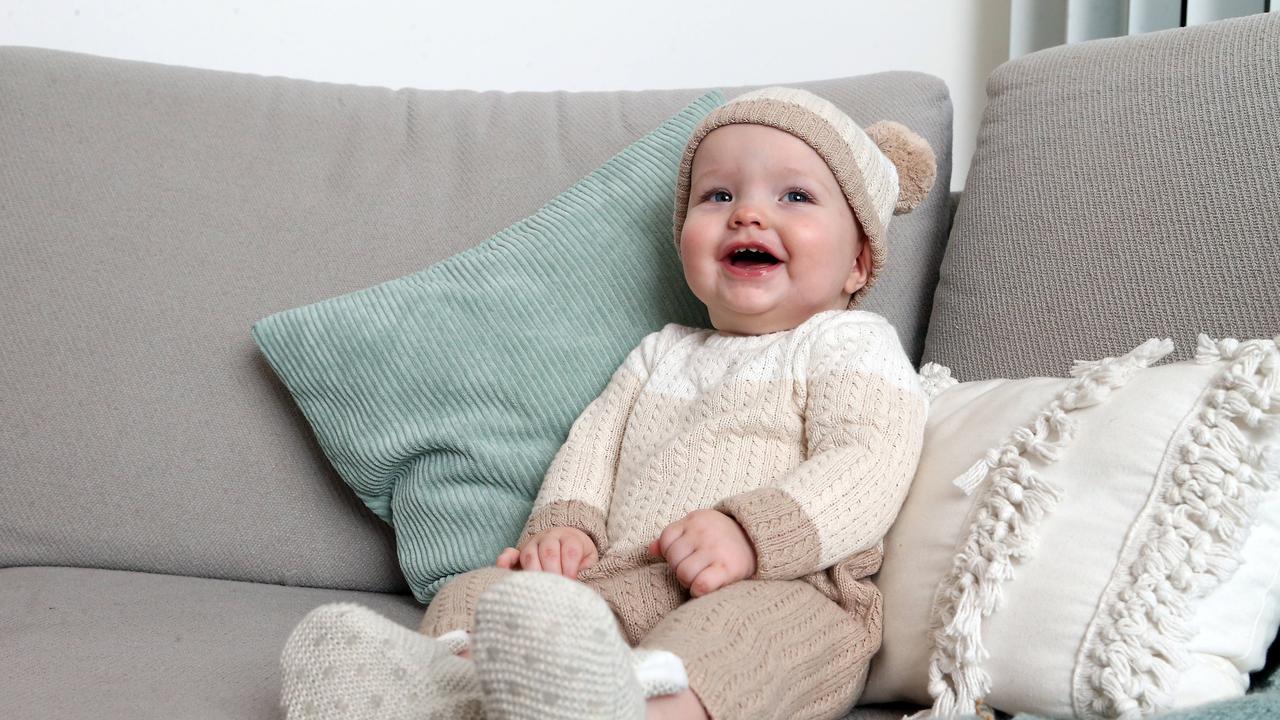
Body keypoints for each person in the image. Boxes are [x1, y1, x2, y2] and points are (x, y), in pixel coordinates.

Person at [279, 86, 936, 720]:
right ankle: (441, 689)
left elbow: (870, 458)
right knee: (483, 592)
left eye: (795, 195)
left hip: (789, 588)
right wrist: (563, 531)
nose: (748, 214)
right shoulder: (659, 353)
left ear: (858, 263)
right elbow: (590, 450)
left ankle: (623, 709)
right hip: (618, 583)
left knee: (735, 637)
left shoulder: (848, 343)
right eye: (717, 195)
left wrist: (750, 533)